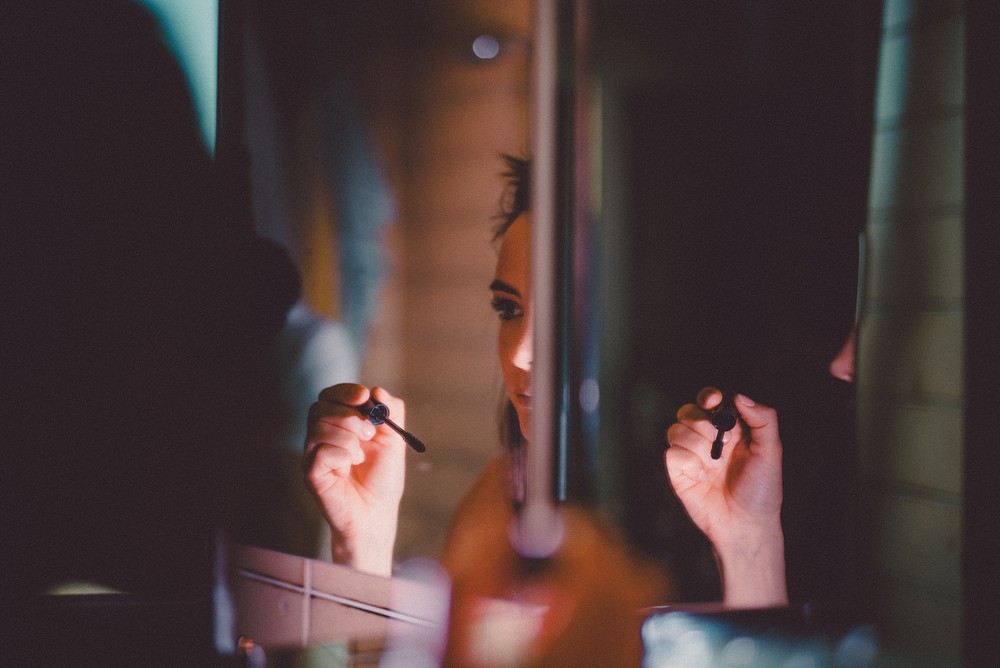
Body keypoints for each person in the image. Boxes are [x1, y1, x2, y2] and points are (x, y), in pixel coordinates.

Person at [302, 156, 787, 660]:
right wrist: (365, 544)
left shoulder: (706, 515)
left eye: (560, 313)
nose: (517, 352)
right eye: (509, 310)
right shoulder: (496, 504)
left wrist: (749, 544)